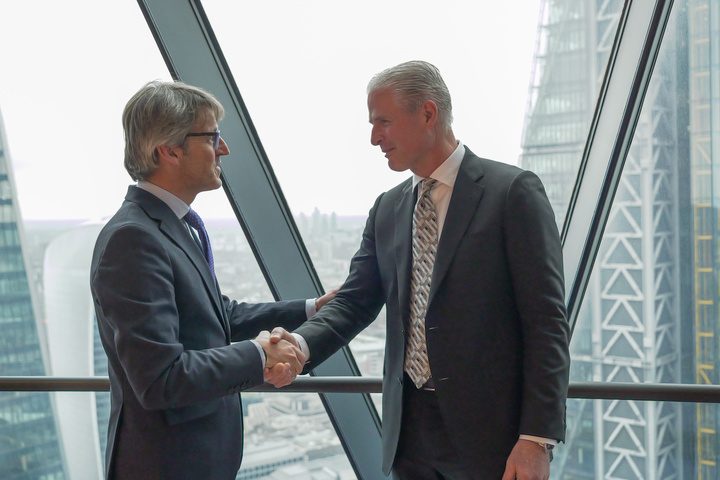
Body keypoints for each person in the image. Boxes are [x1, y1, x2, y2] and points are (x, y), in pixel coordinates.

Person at [285, 61, 571, 479]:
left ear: (427, 113)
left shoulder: (512, 193)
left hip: (494, 439)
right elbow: (354, 302)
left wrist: (536, 439)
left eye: (383, 121)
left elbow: (547, 324)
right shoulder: (387, 209)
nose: (373, 138)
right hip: (409, 437)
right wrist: (299, 346)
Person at [90, 80, 334, 480]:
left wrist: (310, 309)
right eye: (212, 137)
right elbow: (159, 378)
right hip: (166, 466)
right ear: (168, 150)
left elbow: (217, 316)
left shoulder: (169, 226)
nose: (224, 149)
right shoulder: (131, 239)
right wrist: (258, 355)